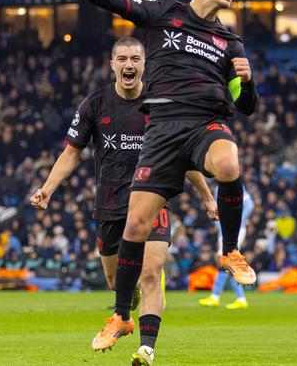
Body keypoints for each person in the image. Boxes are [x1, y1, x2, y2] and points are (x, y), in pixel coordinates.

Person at [52, 0, 258, 361]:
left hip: (204, 125)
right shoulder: (164, 13)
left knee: (229, 163)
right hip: (161, 131)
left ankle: (231, 251)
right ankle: (120, 316)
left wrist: (247, 83)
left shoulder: (230, 43)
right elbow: (113, 0)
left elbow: (245, 106)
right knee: (135, 225)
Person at [31, 37, 217, 363]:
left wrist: (207, 196)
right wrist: (48, 188)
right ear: (113, 64)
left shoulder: (161, 103)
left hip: (152, 198)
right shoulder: (95, 104)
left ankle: (146, 349)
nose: (129, 64)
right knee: (116, 281)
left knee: (151, 273)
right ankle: (125, 314)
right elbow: (72, 153)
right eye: (122, 59)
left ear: (144, 64)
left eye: (135, 58)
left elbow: (182, 157)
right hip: (109, 203)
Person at [198, 187, 254, 309]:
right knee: (224, 261)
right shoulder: (218, 188)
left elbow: (250, 205)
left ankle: (235, 298)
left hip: (235, 230)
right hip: (224, 230)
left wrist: (237, 222)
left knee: (228, 260)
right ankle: (221, 297)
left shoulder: (235, 185)